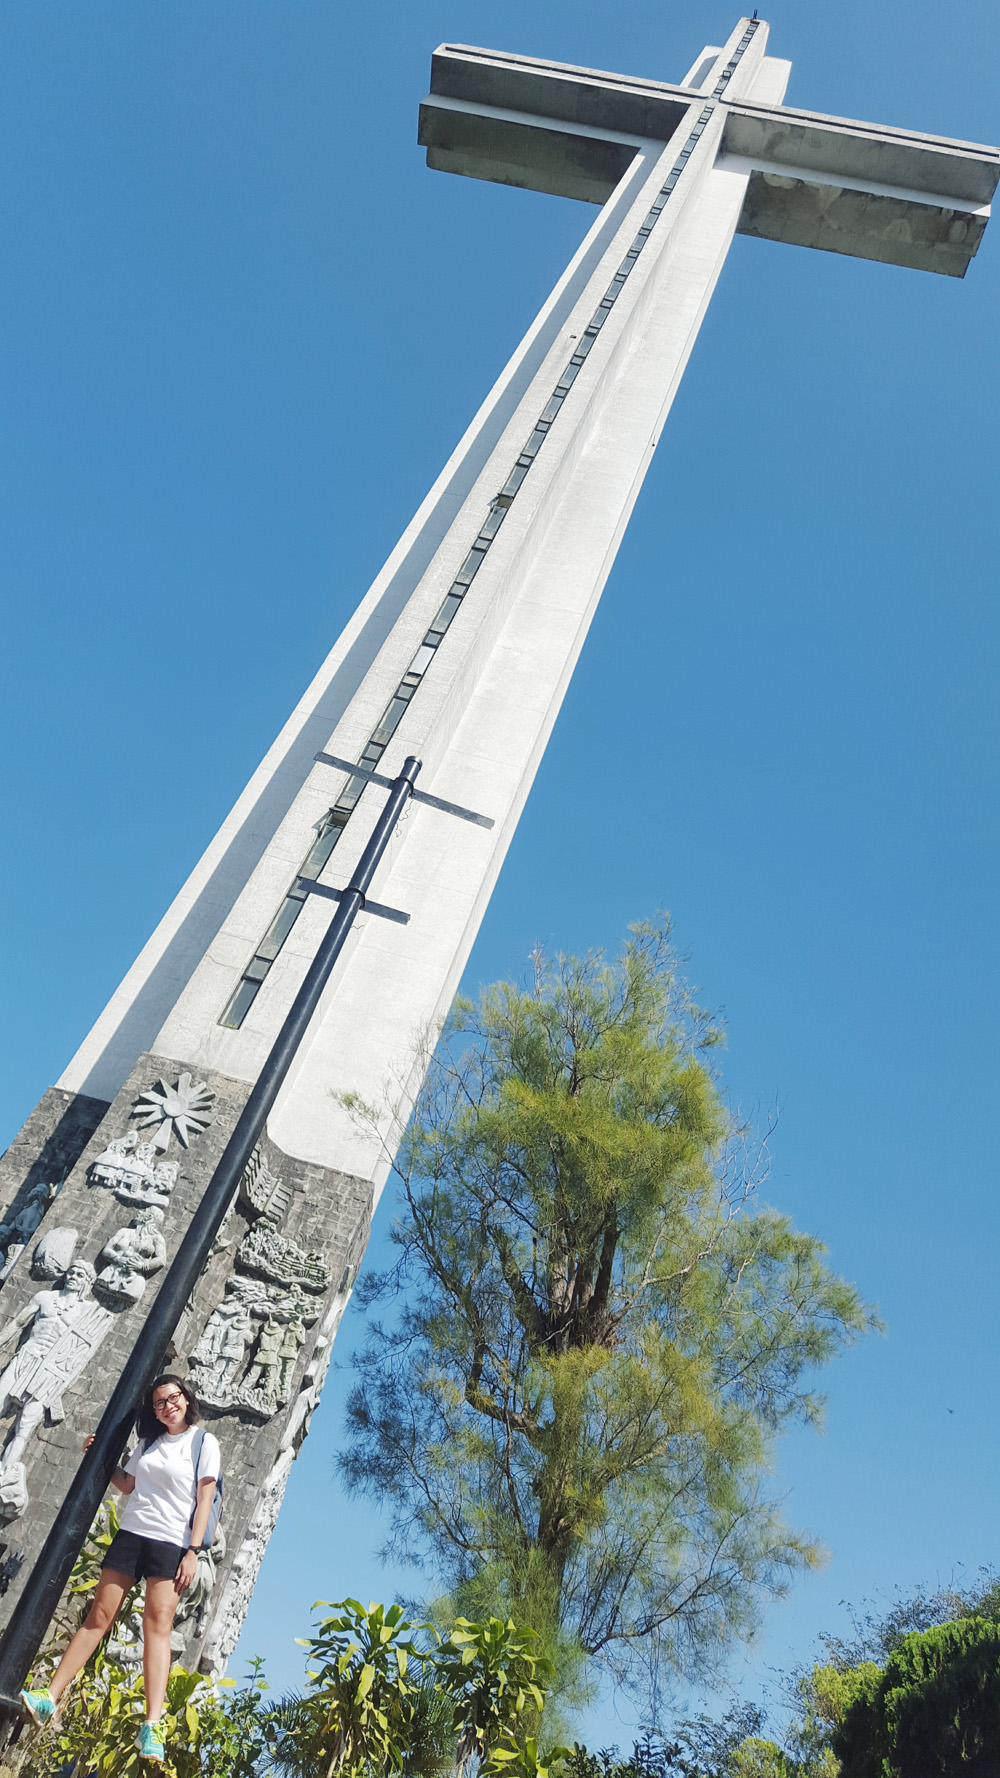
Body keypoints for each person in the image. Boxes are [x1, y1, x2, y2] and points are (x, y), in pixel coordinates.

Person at [19, 1373, 221, 1765]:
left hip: (171, 1543)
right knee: (99, 1616)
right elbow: (127, 1485)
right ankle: (49, 1697)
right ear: (154, 1409)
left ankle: (152, 1726)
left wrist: (193, 1551)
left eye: (173, 1398)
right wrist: (101, 1457)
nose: (168, 1406)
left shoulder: (203, 1442)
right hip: (131, 1534)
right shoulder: (148, 1441)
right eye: (160, 1402)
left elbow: (205, 1498)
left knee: (156, 1627)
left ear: (185, 1399)